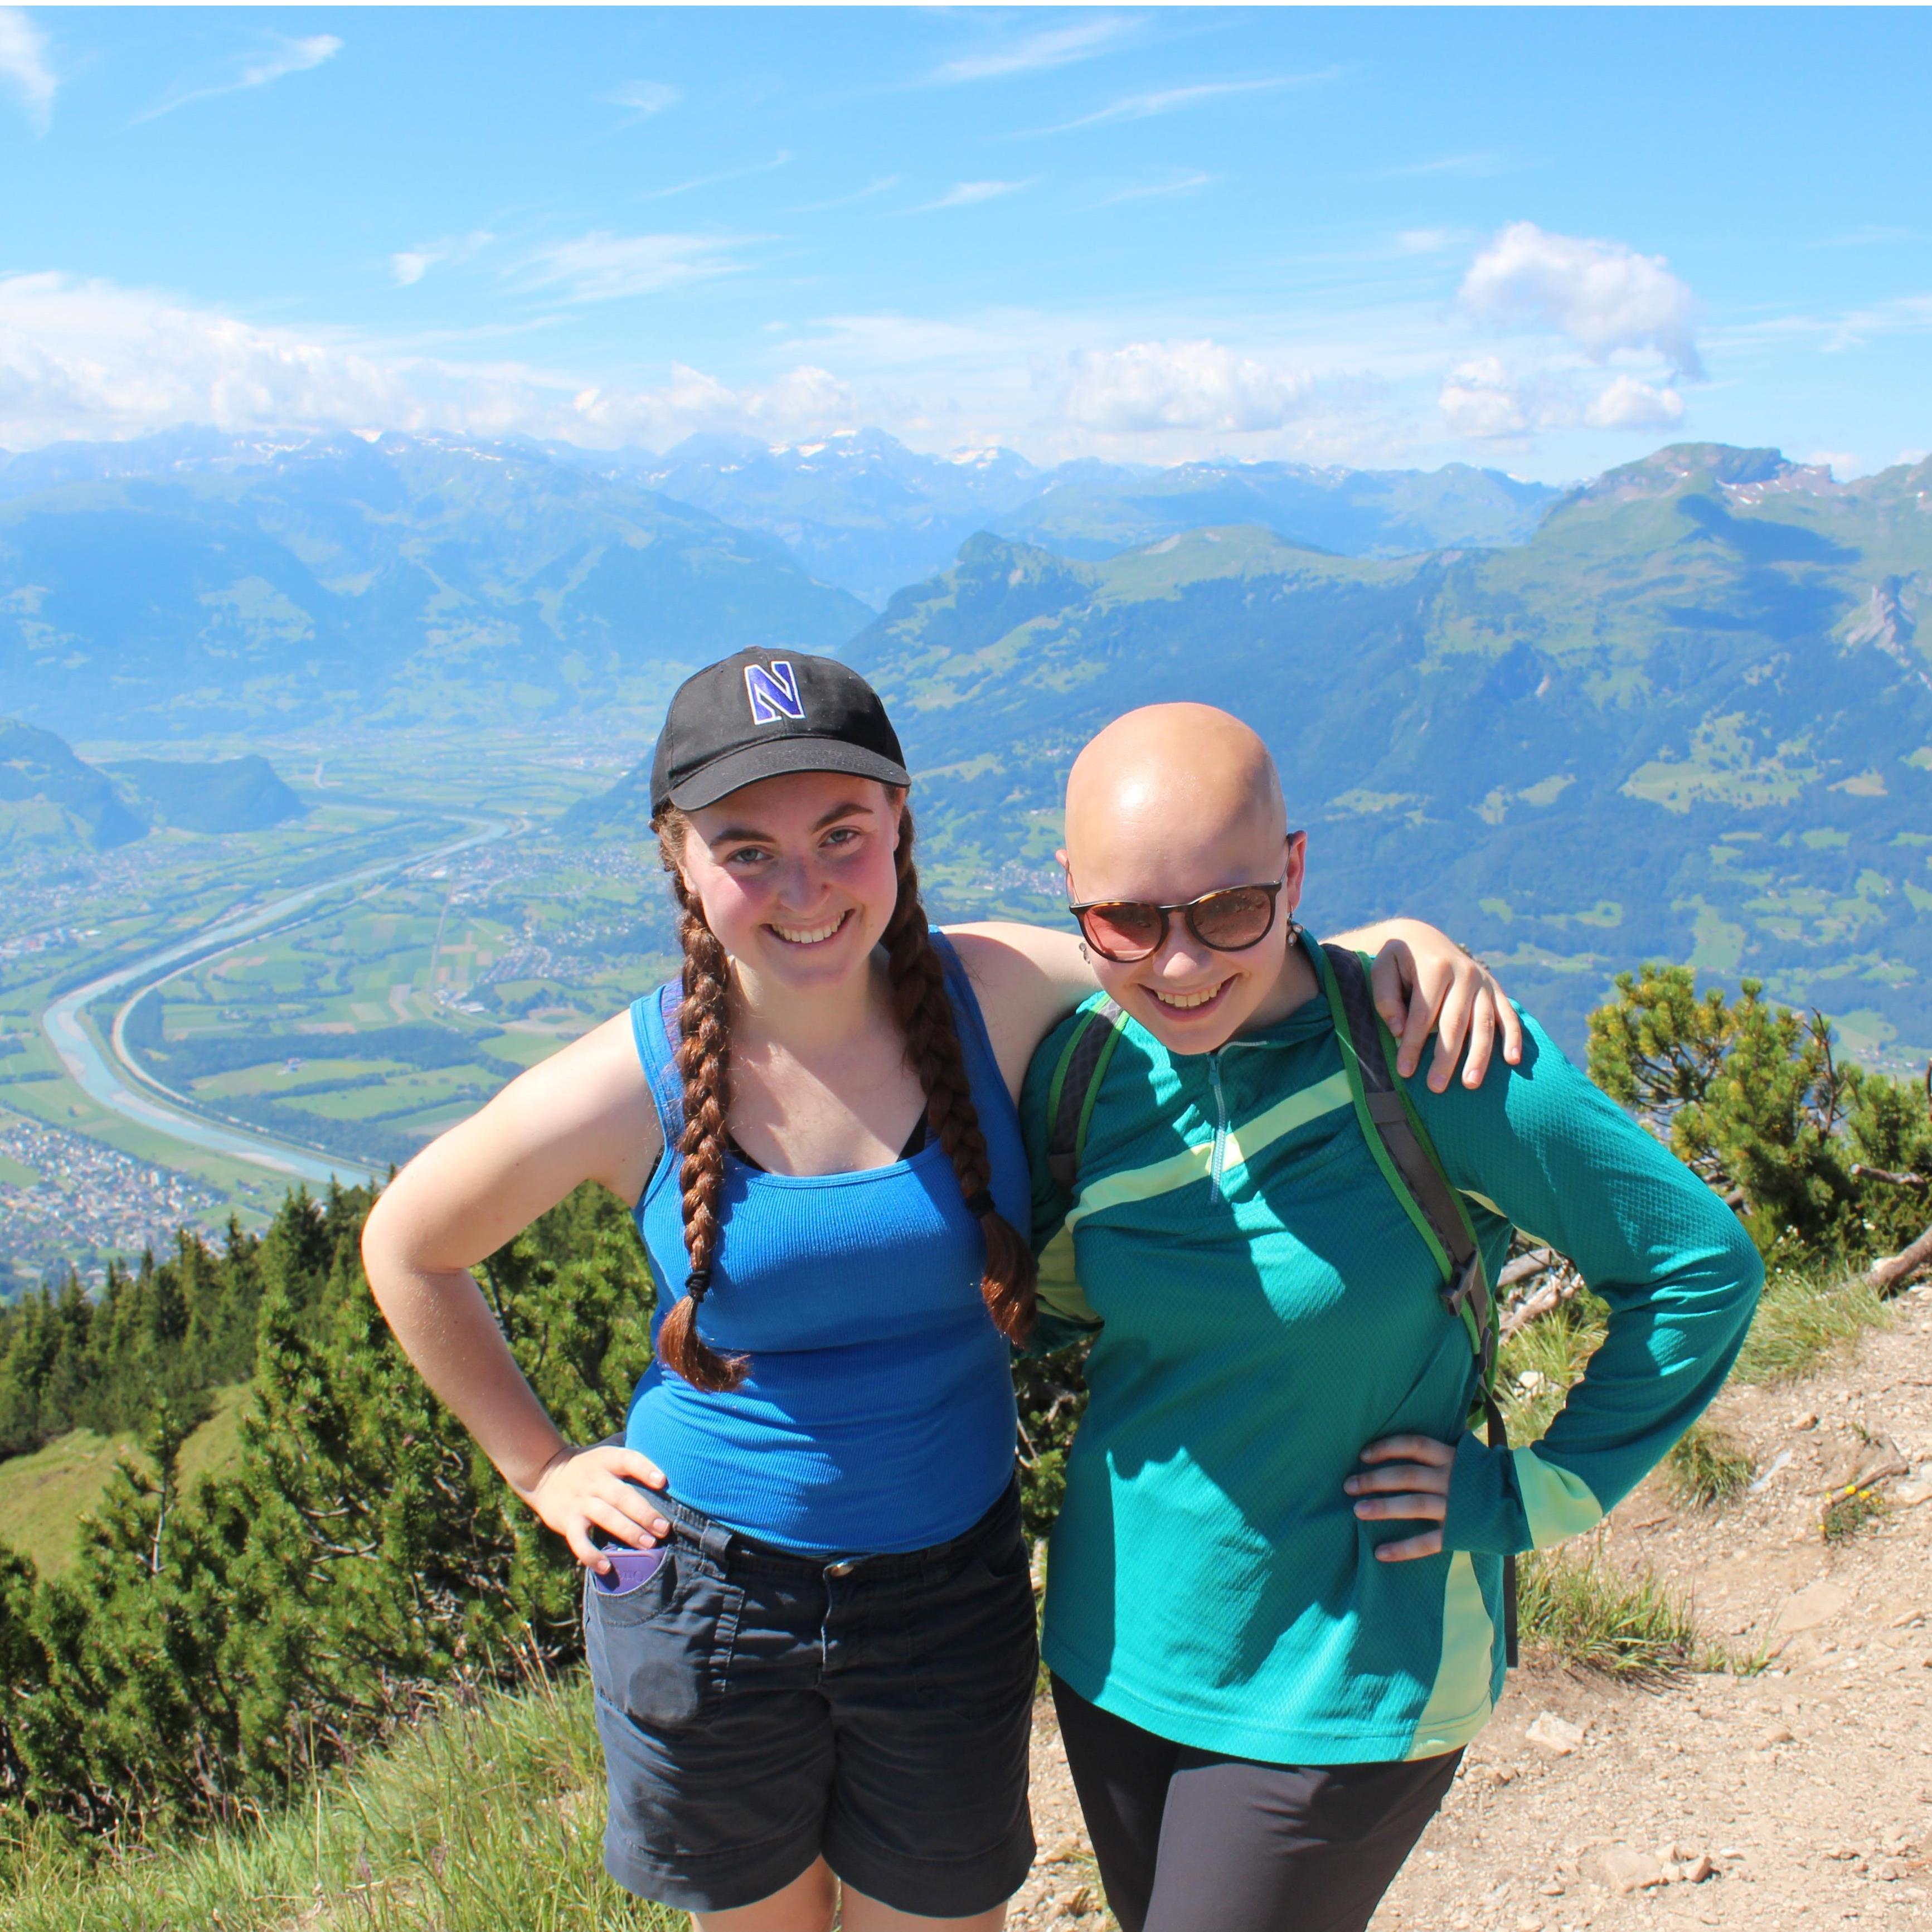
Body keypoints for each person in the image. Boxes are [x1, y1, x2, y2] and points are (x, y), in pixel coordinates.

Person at [361, 649, 1517, 1932]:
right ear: (677, 857)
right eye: (748, 849)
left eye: (841, 833)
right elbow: (410, 1242)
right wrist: (537, 1467)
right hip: (707, 1601)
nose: (804, 888)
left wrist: (1388, 945)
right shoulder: (628, 1082)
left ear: (899, 826)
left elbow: (1192, 965)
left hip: (945, 1591)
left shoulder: (992, 993)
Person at [1021, 703, 1765, 1932]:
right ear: (1073, 899)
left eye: (1227, 909)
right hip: (1116, 1644)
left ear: (1294, 871)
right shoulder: (1084, 1072)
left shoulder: (1426, 1050)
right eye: (1125, 921)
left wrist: (1536, 1491)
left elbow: (1697, 1261)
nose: (1181, 963)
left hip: (1353, 1662)